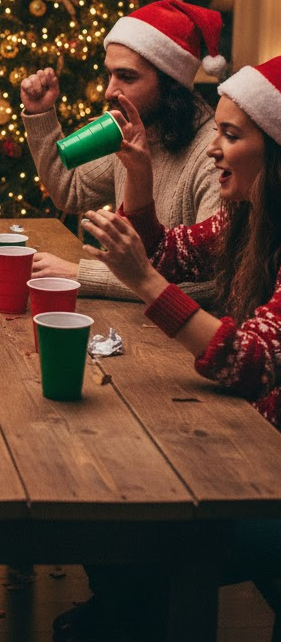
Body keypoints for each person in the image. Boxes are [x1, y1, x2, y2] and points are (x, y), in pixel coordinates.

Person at [54, 55, 281, 642]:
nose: (213, 148)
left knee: (132, 530)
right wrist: (141, 173)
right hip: (255, 442)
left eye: (231, 135)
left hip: (269, 477)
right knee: (109, 493)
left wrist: (145, 283)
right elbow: (171, 252)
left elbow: (250, 361)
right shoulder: (250, 216)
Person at [20, 0, 224, 302]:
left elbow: (212, 287)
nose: (109, 91)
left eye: (127, 77)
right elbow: (70, 189)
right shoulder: (132, 128)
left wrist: (80, 275)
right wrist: (40, 115)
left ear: (170, 83)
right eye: (109, 74)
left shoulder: (215, 156)